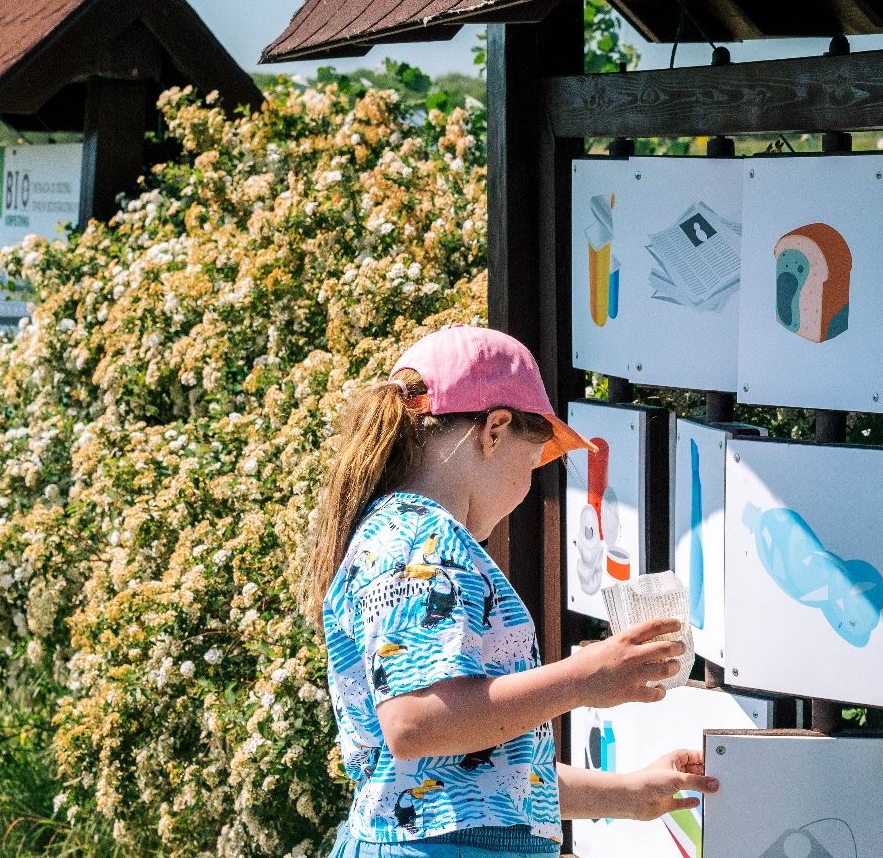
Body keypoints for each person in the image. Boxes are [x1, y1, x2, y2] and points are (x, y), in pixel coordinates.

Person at [303, 324, 711, 856]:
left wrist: (628, 794)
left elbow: (481, 778)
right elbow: (416, 722)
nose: (528, 489)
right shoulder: (419, 538)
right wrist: (588, 676)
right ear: (493, 430)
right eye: (534, 463)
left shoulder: (405, 534)